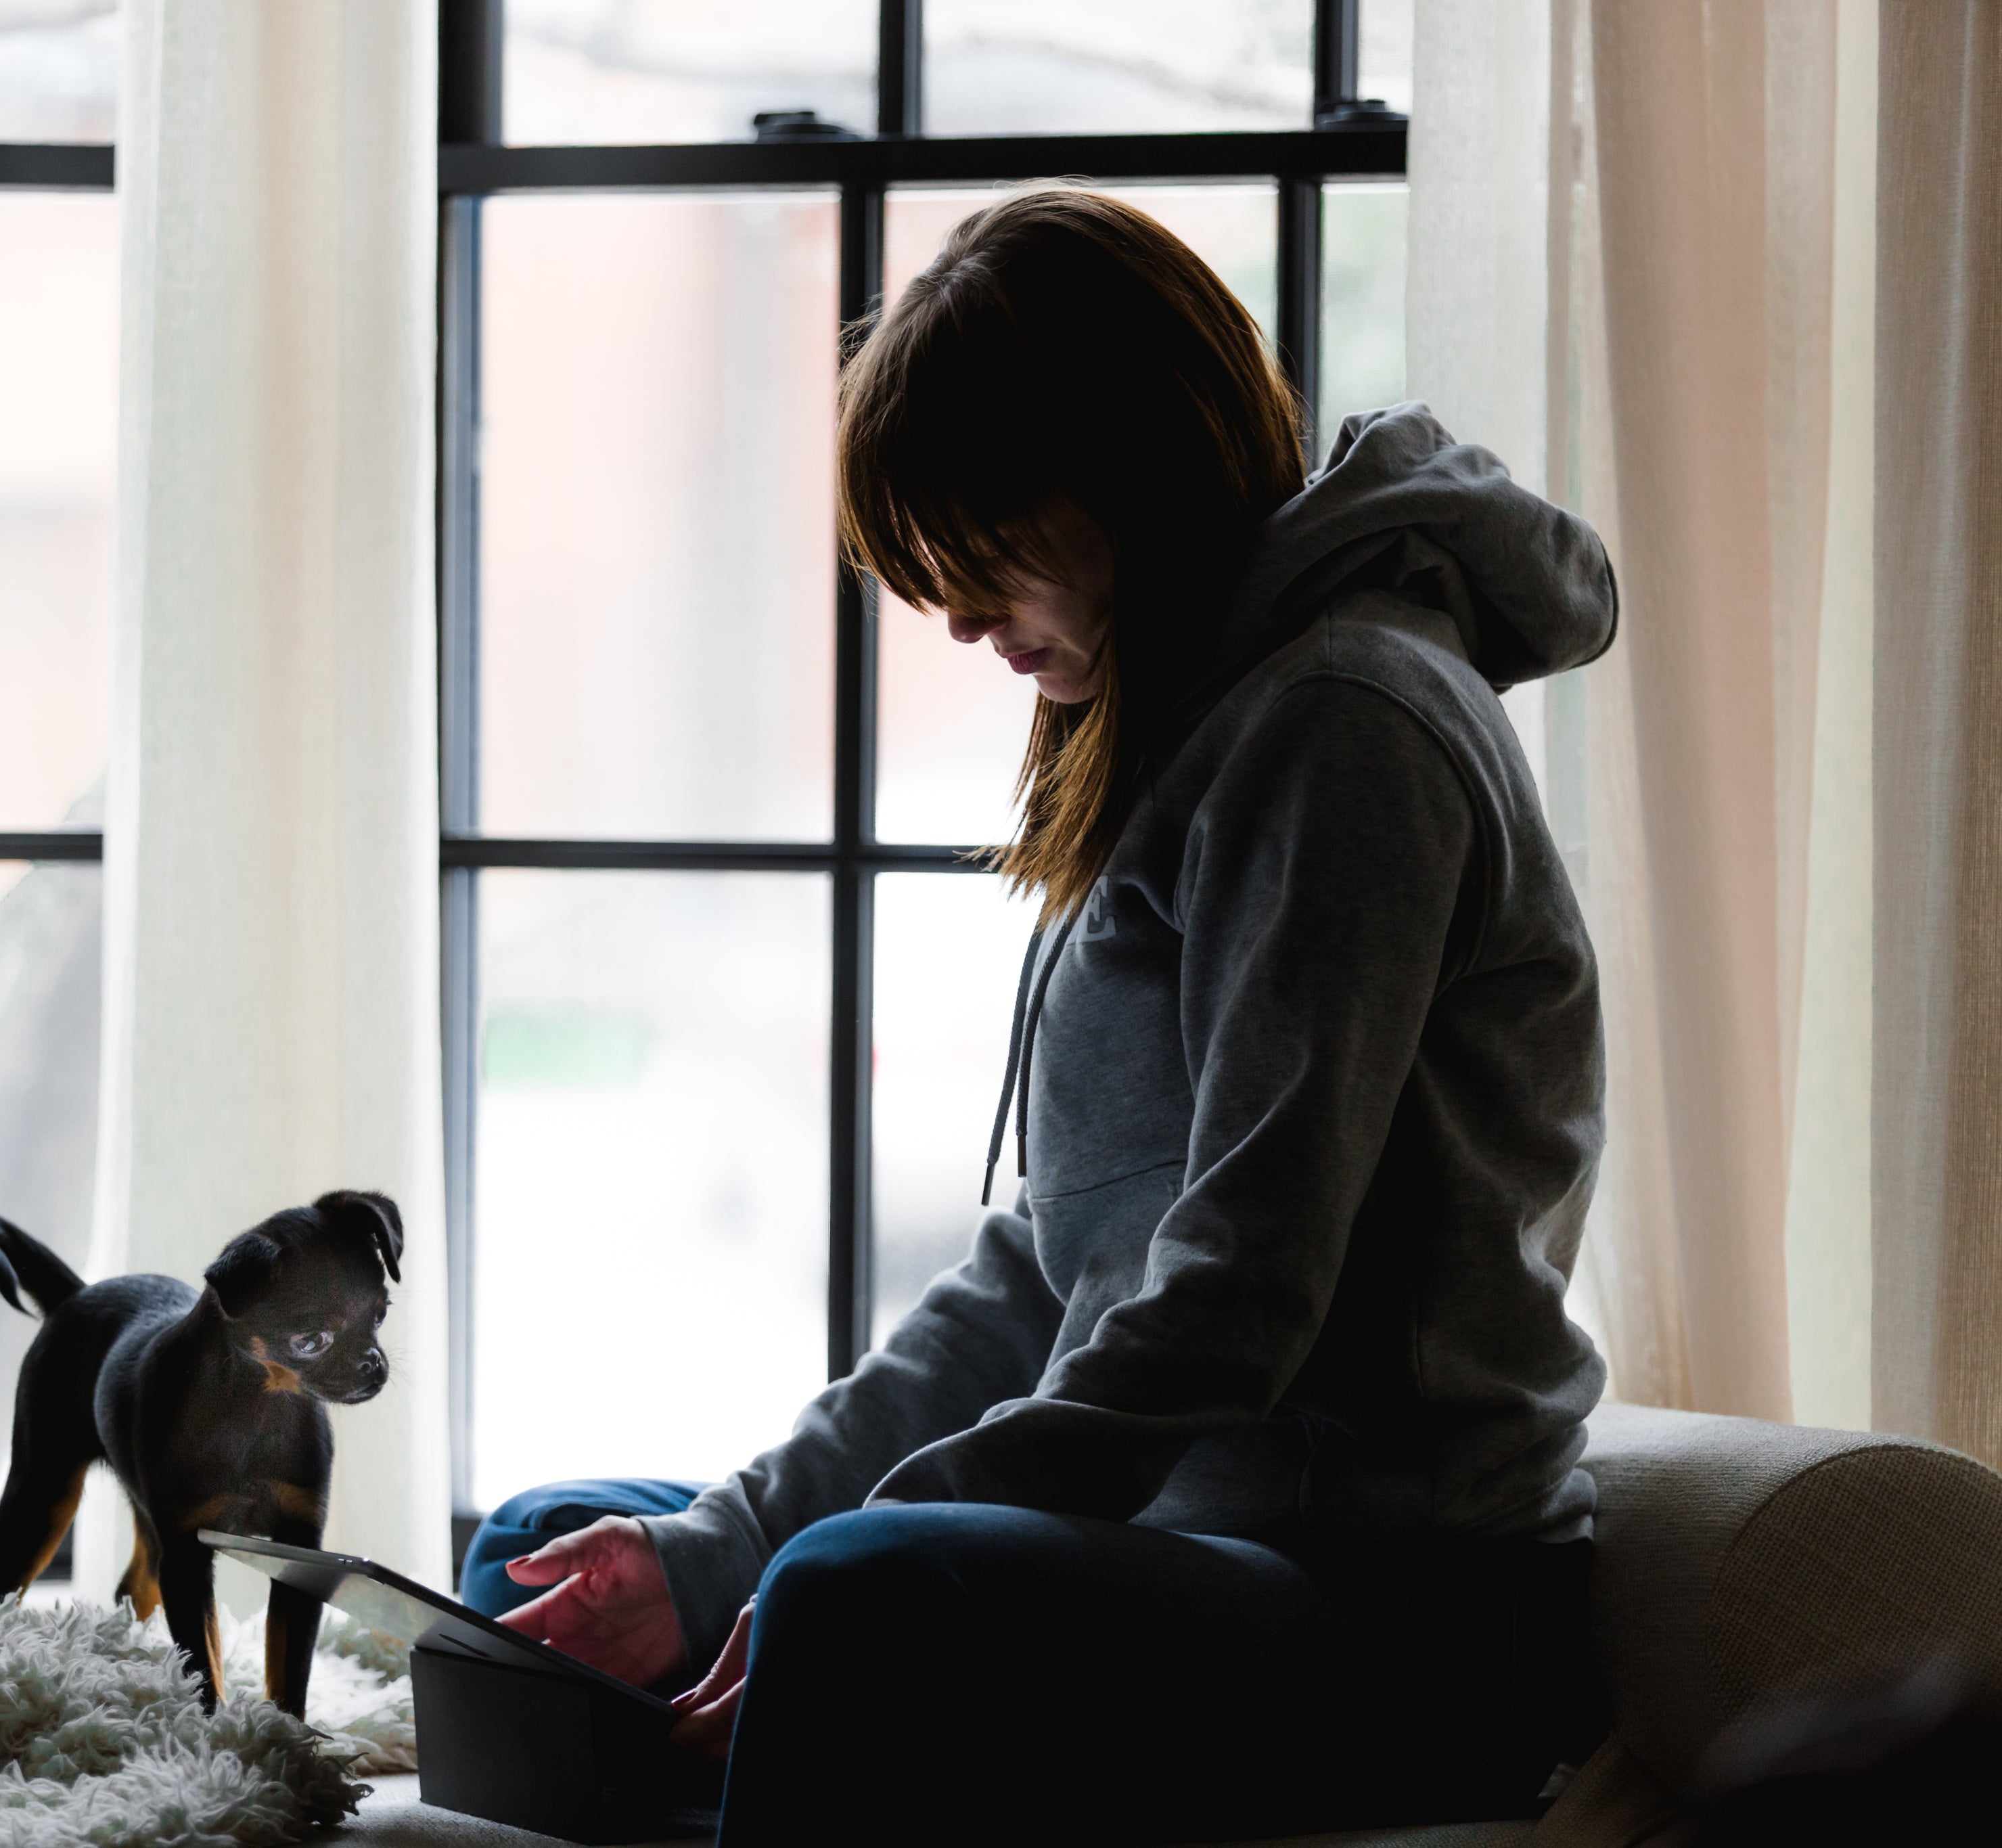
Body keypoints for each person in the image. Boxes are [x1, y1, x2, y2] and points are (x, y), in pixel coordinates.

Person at [457, 187, 1618, 1844]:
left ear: (1125, 469)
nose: (946, 613)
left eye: (981, 538)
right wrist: (725, 1542)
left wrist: (816, 1563)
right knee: (552, 1551)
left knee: (861, 1589)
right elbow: (1044, 1270)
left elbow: (1240, 1290)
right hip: (1194, 1544)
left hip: (1408, 1615)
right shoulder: (1202, 723)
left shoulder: (1341, 729)